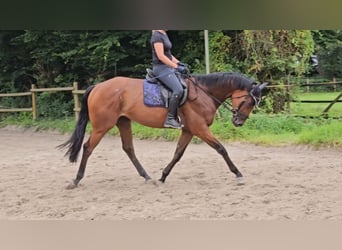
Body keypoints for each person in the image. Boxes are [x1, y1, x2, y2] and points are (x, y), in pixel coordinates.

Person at [150, 30, 189, 129]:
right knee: (178, 89)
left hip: (167, 67)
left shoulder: (164, 34)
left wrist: (180, 63)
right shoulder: (156, 36)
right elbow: (161, 56)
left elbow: (168, 55)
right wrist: (176, 66)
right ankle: (170, 118)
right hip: (160, 68)